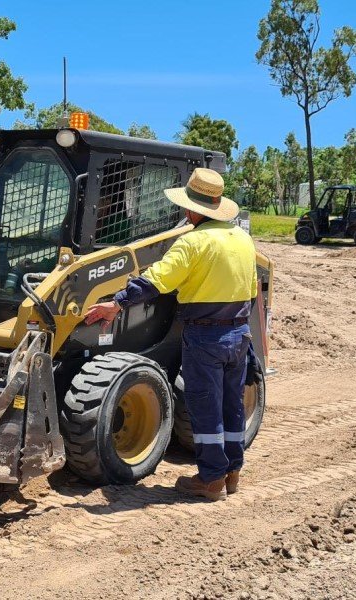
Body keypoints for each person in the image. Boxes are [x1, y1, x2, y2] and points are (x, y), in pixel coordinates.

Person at [83, 167, 258, 502]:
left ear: (193, 209)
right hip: (238, 333)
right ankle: (232, 471)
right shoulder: (242, 239)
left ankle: (210, 481)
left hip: (206, 337)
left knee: (205, 407)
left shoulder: (193, 242)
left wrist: (116, 303)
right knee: (231, 405)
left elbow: (157, 280)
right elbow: (251, 292)